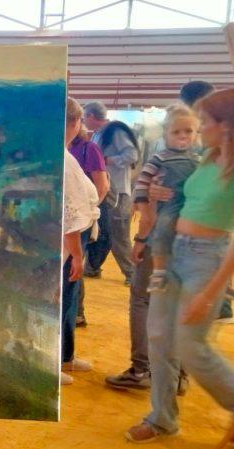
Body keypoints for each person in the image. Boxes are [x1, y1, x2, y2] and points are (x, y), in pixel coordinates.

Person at [126, 88, 234, 443]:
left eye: (205, 121)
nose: (200, 128)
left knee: (191, 346)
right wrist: (160, 195)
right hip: (172, 251)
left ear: (226, 125)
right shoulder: (205, 158)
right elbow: (182, 197)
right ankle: (162, 419)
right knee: (159, 338)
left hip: (207, 259)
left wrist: (212, 292)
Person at [132, 106, 200, 293]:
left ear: (196, 134)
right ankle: (159, 271)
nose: (182, 136)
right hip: (169, 206)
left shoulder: (198, 160)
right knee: (162, 228)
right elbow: (142, 181)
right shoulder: (160, 158)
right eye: (176, 132)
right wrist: (143, 206)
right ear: (165, 135)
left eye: (188, 131)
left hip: (189, 209)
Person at [61, 97, 101, 385]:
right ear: (75, 122)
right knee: (63, 300)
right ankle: (57, 358)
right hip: (68, 242)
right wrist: (76, 253)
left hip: (74, 238)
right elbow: (69, 213)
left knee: (70, 299)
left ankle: (65, 355)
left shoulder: (64, 155)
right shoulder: (63, 160)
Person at [83, 101, 138, 284]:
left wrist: (106, 160)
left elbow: (132, 155)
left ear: (91, 116)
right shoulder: (99, 134)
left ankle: (132, 274)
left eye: (84, 117)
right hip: (105, 192)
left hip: (118, 193)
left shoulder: (115, 131)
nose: (83, 121)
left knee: (119, 236)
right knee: (101, 233)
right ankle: (92, 268)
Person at [69, 126, 109, 327]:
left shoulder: (89, 148)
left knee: (74, 265)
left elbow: (103, 185)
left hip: (81, 219)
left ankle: (78, 313)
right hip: (68, 219)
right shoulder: (63, 149)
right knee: (71, 266)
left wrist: (89, 212)